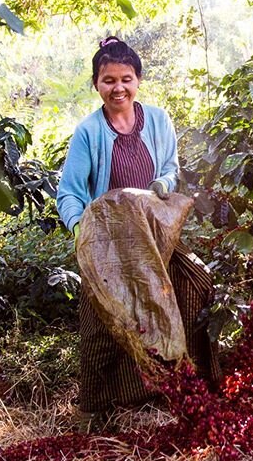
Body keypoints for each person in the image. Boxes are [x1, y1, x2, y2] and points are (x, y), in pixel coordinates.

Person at [57, 37, 220, 431]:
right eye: (108, 79)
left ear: (138, 80)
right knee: (102, 323)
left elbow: (170, 166)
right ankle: (94, 409)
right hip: (109, 244)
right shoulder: (88, 132)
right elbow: (70, 193)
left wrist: (164, 184)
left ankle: (191, 387)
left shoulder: (159, 120)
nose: (118, 88)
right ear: (96, 84)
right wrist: (84, 234)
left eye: (126, 78)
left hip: (154, 235)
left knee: (196, 284)